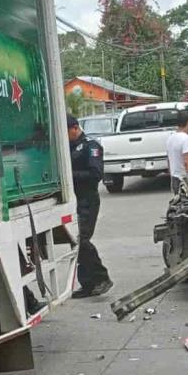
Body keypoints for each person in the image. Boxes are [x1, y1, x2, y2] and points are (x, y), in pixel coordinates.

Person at [67, 114, 112, 298]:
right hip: (74, 201)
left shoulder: (90, 146)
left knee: (82, 240)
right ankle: (88, 284)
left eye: (66, 131)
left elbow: (95, 174)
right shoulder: (67, 148)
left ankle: (102, 278)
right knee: (76, 243)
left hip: (87, 199)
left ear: (75, 128)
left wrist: (70, 176)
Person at [166, 109, 188, 195]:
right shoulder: (186, 139)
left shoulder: (170, 138)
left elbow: (169, 160)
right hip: (184, 180)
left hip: (175, 179)